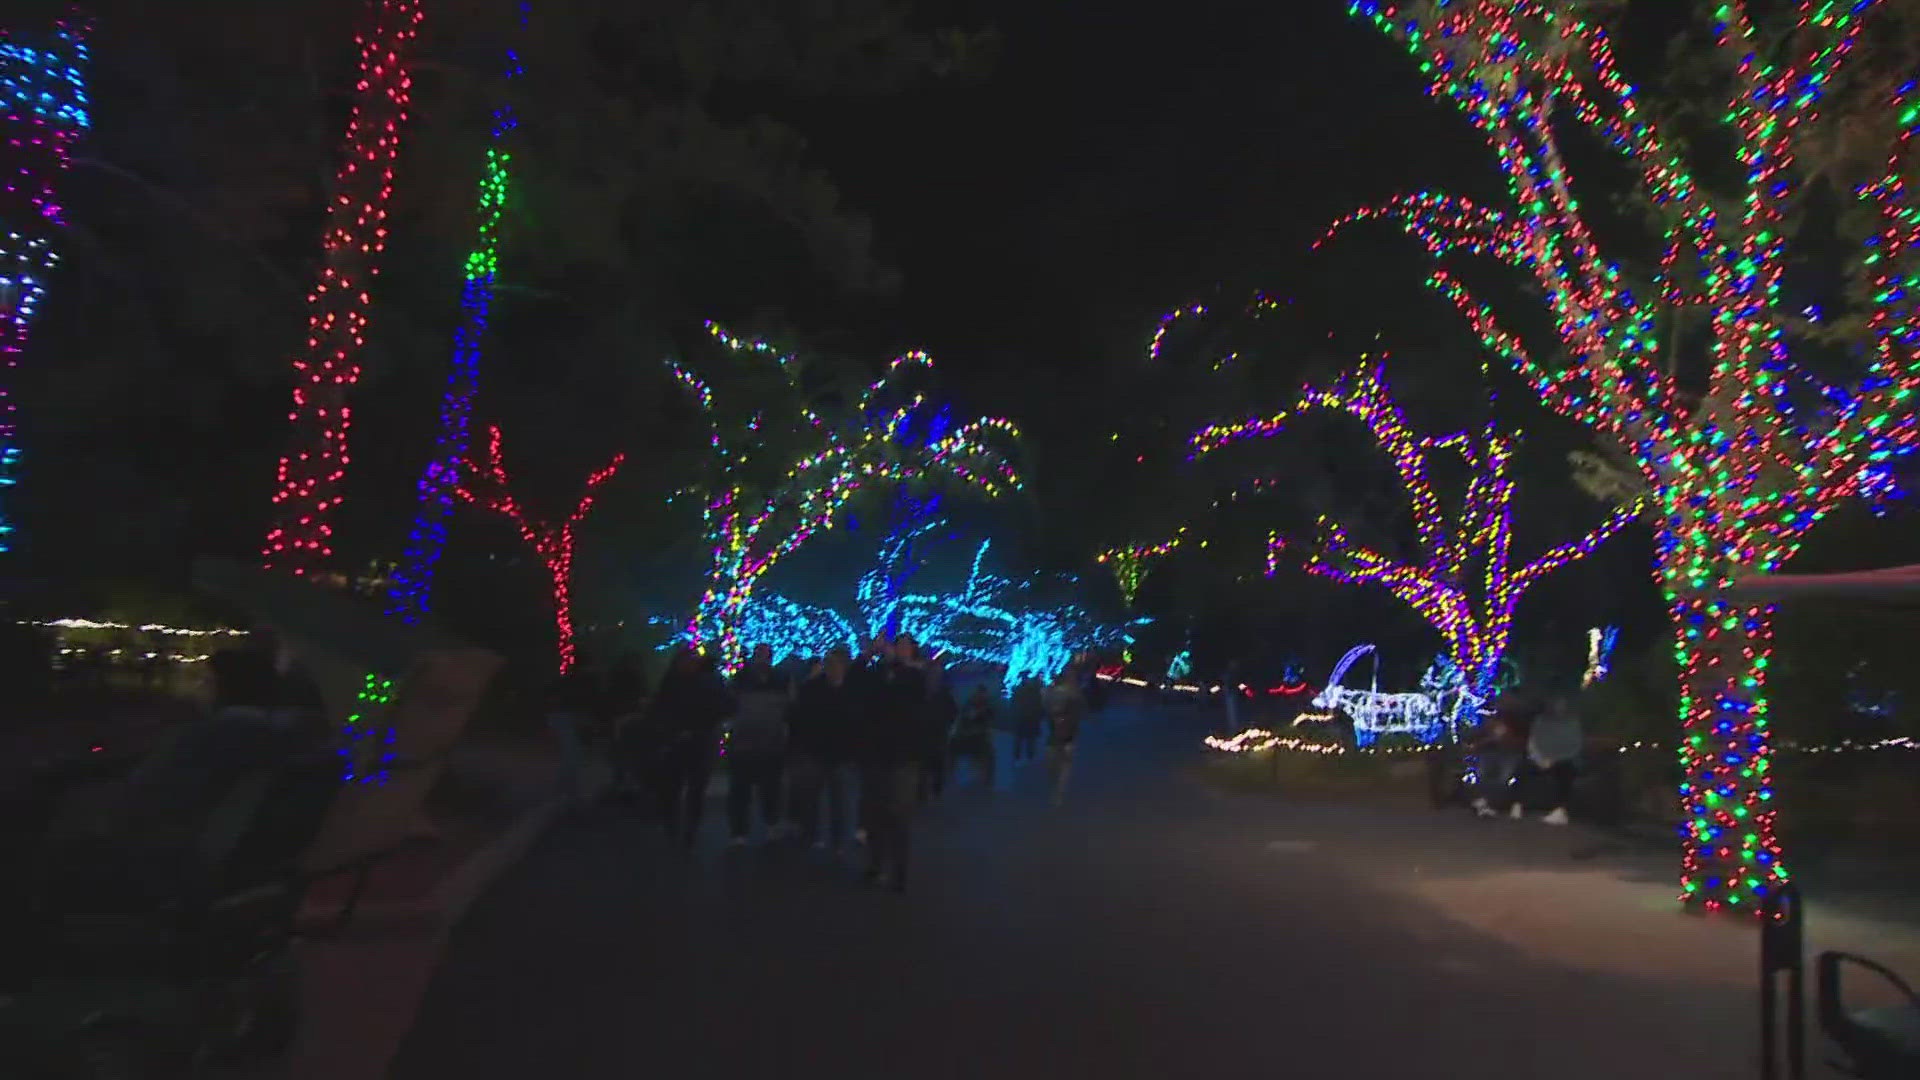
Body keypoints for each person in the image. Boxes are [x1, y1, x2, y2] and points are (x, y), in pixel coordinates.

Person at [648, 647, 735, 849]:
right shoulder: (676, 683)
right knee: (675, 787)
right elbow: (661, 709)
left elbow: (720, 706)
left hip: (697, 739)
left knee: (691, 787)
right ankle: (678, 826)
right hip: (682, 740)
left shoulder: (698, 683)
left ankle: (686, 828)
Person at [858, 635, 926, 892]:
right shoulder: (878, 673)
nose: (899, 651)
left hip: (903, 756)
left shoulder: (915, 677)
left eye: (905, 647)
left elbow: (911, 697)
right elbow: (857, 684)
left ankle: (898, 871)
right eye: (898, 646)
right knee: (876, 811)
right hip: (877, 753)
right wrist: (867, 655)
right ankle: (875, 864)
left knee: (899, 814)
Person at [786, 646, 858, 850]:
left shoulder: (851, 688)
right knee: (812, 798)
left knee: (839, 800)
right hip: (817, 749)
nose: (832, 668)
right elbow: (801, 716)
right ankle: (812, 835)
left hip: (840, 752)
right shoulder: (814, 688)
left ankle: (837, 840)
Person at [727, 643, 792, 845]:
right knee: (741, 790)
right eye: (759, 655)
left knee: (770, 788)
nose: (762, 659)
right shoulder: (741, 679)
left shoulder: (781, 679)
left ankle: (770, 824)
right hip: (744, 744)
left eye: (765, 655)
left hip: (770, 744)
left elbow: (790, 708)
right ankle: (739, 832)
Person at [1522, 695, 1582, 825]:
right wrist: (1540, 758)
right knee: (1523, 767)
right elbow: (1534, 742)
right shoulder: (1541, 722)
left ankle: (1560, 809)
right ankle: (1517, 804)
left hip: (1562, 759)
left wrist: (1555, 758)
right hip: (1542, 757)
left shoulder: (1571, 723)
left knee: (1565, 770)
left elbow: (1575, 745)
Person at [1042, 665, 1087, 807]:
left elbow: (1080, 713)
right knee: (1057, 764)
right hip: (1060, 734)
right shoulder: (1063, 693)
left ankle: (1058, 793)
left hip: (1065, 735)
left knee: (1061, 764)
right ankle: (1057, 792)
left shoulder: (1073, 695)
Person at [919, 669, 956, 803]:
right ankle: (923, 790)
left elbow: (952, 713)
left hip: (938, 733)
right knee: (925, 762)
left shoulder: (944, 696)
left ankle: (935, 789)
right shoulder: (922, 693)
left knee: (937, 762)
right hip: (925, 733)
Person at [950, 685, 996, 789]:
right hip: (969, 735)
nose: (982, 696)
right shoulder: (971, 704)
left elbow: (989, 721)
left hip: (978, 735)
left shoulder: (985, 705)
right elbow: (966, 718)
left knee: (986, 753)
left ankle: (984, 777)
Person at [1010, 677, 1043, 764]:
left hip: (1023, 717)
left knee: (1021, 739)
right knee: (1029, 739)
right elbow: (1039, 704)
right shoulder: (1034, 691)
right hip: (1030, 717)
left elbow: (1014, 703)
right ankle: (1029, 756)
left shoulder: (1019, 690)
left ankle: (1019, 757)